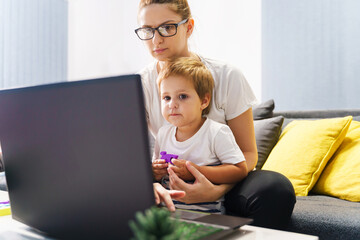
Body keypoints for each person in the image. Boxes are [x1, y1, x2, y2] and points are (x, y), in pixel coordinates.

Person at [135, 0, 296, 229]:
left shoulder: (227, 76)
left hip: (225, 178)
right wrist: (149, 177)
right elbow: (129, 161)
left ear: (188, 27)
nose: (156, 40)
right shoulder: (139, 84)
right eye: (147, 30)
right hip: (172, 183)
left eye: (167, 27)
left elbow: (248, 154)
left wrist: (213, 190)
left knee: (274, 188)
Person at [153, 57, 248, 213]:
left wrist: (195, 170)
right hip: (167, 213)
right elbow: (156, 176)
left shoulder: (216, 132)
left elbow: (240, 170)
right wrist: (155, 171)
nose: (172, 104)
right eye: (166, 98)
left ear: (204, 101)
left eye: (182, 96)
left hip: (207, 215)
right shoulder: (163, 134)